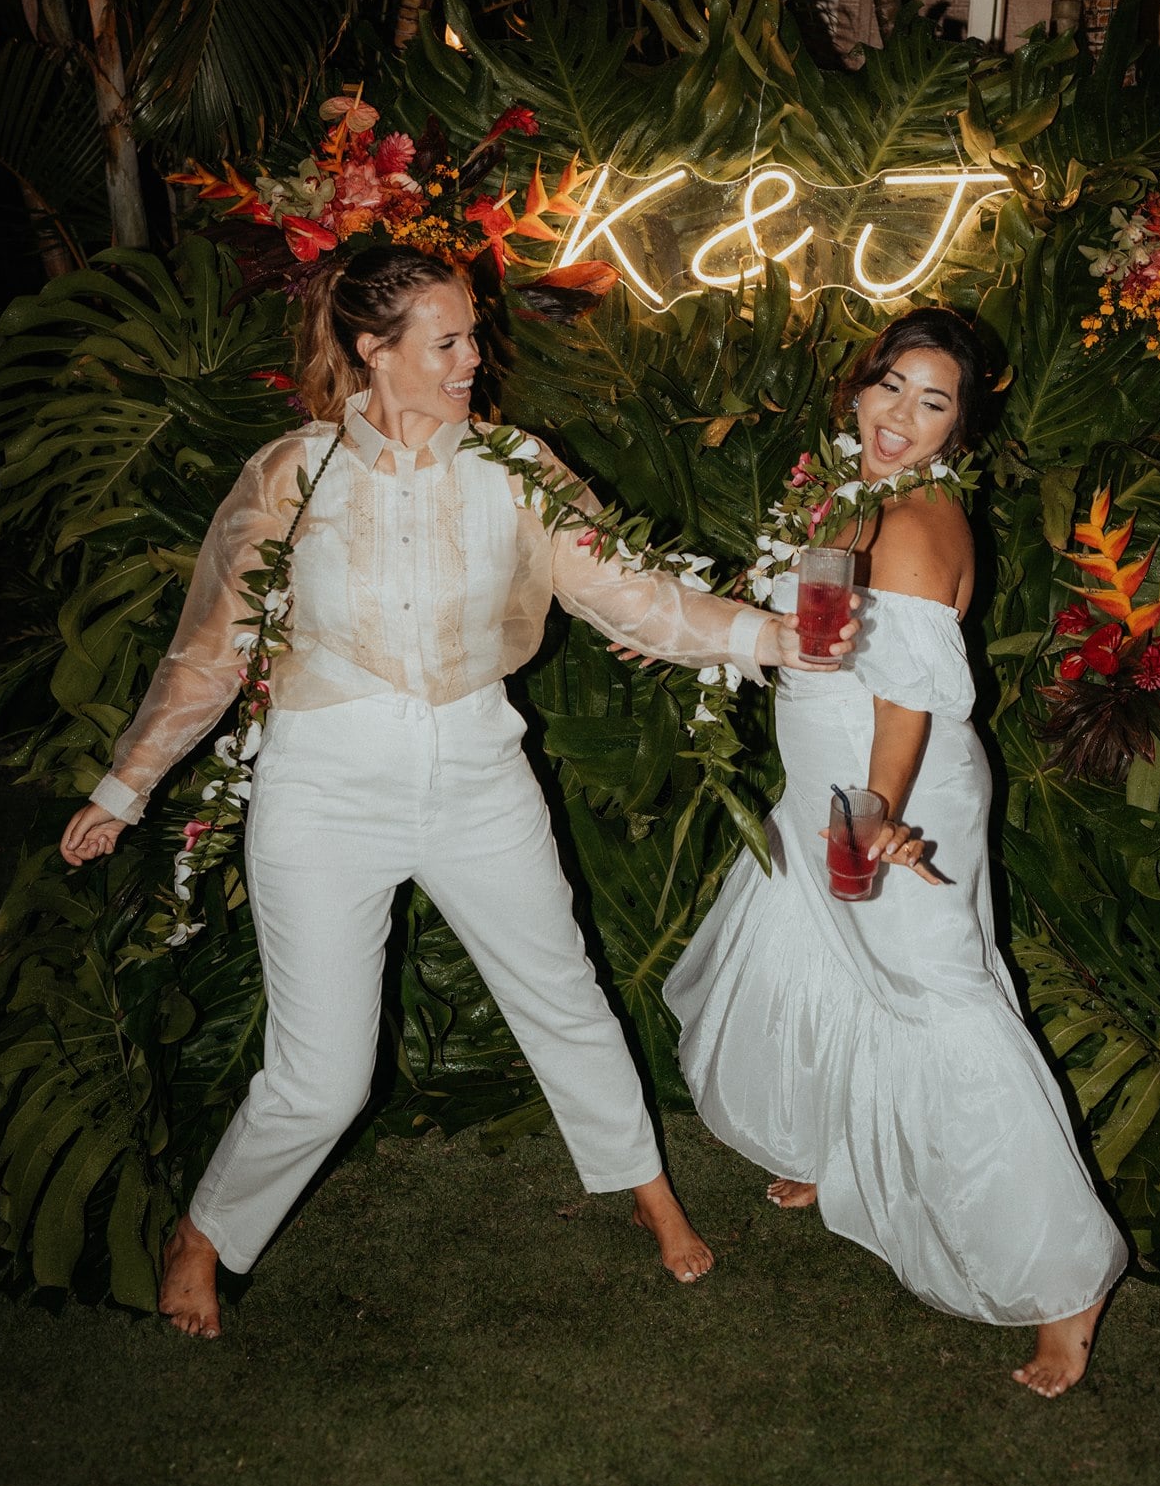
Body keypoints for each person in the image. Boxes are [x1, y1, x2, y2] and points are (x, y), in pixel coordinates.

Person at [60, 246, 854, 1339]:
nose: (475, 356)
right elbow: (211, 650)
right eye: (449, 339)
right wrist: (128, 783)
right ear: (372, 351)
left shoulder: (517, 464)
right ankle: (205, 1230)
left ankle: (649, 1191)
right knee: (322, 1073)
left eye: (473, 333)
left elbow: (629, 592)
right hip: (323, 788)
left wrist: (776, 638)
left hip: (479, 768)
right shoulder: (292, 475)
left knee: (563, 993)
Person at [664, 307, 1128, 1399]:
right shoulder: (841, 490)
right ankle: (838, 1150)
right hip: (828, 775)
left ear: (960, 427)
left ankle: (1067, 1281)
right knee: (828, 958)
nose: (900, 418)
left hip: (890, 788)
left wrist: (876, 812)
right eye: (890, 387)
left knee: (940, 997)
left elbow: (910, 703)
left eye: (934, 403)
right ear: (859, 384)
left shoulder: (917, 524)